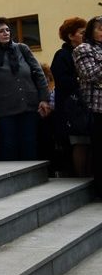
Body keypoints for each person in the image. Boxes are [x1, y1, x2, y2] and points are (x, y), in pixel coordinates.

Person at [0, 17, 50, 161]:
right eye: (0, 31)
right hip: (4, 112)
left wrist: (43, 98)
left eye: (7, 30)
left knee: (29, 144)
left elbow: (39, 73)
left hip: (28, 106)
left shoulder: (22, 48)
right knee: (9, 147)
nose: (6, 33)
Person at [53, 18, 89, 176]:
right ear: (70, 36)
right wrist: (82, 79)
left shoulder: (90, 51)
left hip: (88, 104)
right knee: (79, 142)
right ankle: (82, 178)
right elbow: (62, 81)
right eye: (82, 33)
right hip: (73, 109)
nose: (85, 35)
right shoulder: (62, 55)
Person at [73, 16, 102, 195]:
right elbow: (90, 74)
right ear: (91, 31)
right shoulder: (83, 48)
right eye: (100, 28)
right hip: (97, 108)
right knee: (99, 151)